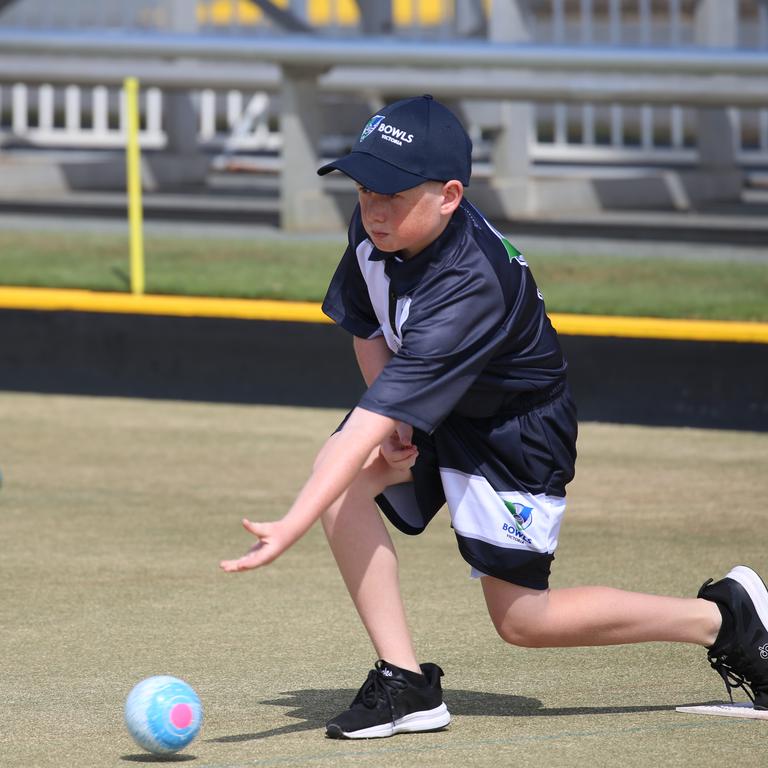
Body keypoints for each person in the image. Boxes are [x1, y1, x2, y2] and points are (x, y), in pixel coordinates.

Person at [220, 95, 768, 739]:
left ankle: (727, 619)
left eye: (393, 192)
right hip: (439, 407)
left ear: (450, 196)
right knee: (341, 481)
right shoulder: (377, 230)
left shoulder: (468, 282)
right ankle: (405, 685)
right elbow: (366, 323)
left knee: (522, 623)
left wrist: (293, 522)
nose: (373, 206)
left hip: (513, 432)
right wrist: (401, 426)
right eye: (365, 187)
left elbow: (373, 412)